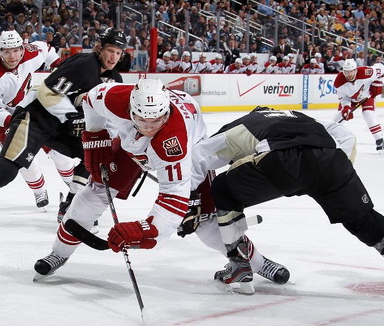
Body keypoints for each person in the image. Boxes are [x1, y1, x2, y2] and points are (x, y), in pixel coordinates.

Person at [33, 79, 289, 287]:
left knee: (204, 222)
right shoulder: (114, 97)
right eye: (142, 119)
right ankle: (59, 253)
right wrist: (95, 134)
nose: (149, 126)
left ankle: (258, 262)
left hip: (193, 156)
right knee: (96, 190)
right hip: (131, 147)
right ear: (130, 109)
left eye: (156, 120)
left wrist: (146, 231)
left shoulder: (173, 142)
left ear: (166, 112)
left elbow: (174, 197)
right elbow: (90, 100)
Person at [187, 106, 384, 300]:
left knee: (223, 190)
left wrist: (191, 202)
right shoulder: (303, 116)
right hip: (332, 164)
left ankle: (239, 262)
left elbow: (199, 157)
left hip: (281, 163)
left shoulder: (243, 124)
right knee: (367, 222)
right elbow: (346, 136)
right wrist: (338, 181)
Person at [0, 28, 126, 243]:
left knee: (95, 154)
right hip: (35, 119)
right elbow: (47, 92)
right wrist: (71, 116)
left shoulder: (115, 78)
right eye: (110, 51)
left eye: (118, 52)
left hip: (60, 128)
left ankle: (69, 209)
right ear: (99, 48)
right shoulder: (84, 65)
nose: (113, 57)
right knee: (7, 169)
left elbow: (108, 114)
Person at [0, 30, 76, 208]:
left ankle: (74, 187)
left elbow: (47, 48)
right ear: (0, 52)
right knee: (23, 161)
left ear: (22, 48)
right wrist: (12, 121)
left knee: (61, 153)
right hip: (6, 117)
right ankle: (39, 192)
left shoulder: (32, 52)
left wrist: (57, 65)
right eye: (7, 52)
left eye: (16, 50)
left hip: (32, 108)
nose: (12, 56)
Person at [334, 59, 384, 153]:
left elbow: (382, 68)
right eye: (346, 72)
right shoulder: (338, 82)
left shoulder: (366, 72)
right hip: (350, 99)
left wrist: (378, 84)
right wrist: (346, 107)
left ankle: (379, 140)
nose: (349, 74)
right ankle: (330, 136)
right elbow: (343, 98)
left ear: (355, 70)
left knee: (368, 114)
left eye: (351, 71)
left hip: (366, 96)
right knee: (339, 116)